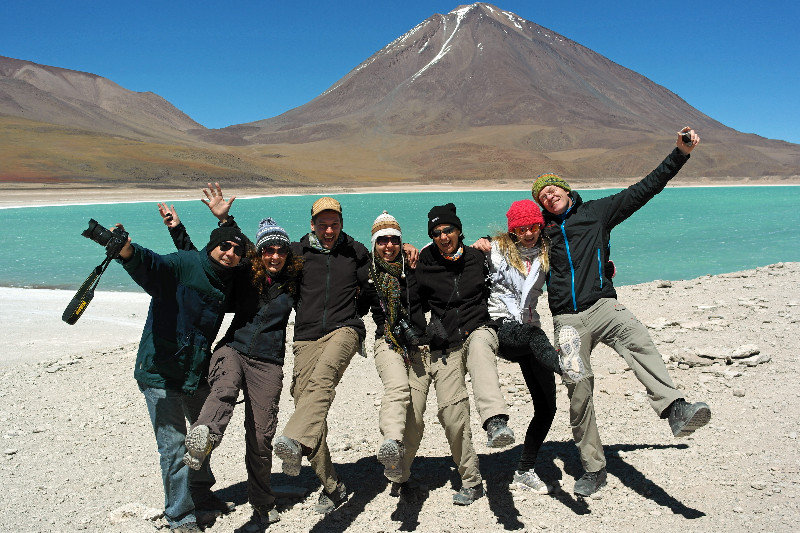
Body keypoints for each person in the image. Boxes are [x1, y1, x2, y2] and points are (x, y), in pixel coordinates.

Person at [530, 127, 711, 497]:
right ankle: (594, 468)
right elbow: (507, 246)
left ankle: (675, 408)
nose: (550, 196)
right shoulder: (539, 233)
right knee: (578, 391)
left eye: (553, 189)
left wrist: (680, 154)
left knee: (637, 336)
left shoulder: (597, 212)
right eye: (542, 196)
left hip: (602, 306)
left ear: (567, 190)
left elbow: (644, 189)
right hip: (566, 321)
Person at [159, 196, 300, 530]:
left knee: (261, 436)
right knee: (222, 388)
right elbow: (204, 264)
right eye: (268, 250)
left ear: (287, 253)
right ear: (260, 253)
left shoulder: (294, 282)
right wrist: (182, 230)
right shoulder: (243, 276)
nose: (275, 255)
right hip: (232, 348)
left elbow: (331, 268)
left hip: (268, 362)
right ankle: (205, 435)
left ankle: (263, 501)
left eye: (280, 250)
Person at [114, 217, 246, 532]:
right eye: (223, 246)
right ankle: (180, 515)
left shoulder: (227, 278)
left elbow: (255, 264)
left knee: (206, 433)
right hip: (160, 372)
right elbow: (153, 266)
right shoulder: (184, 264)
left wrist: (225, 220)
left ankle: (200, 493)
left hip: (194, 370)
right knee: (174, 446)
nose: (229, 253)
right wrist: (128, 251)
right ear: (212, 246)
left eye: (236, 249)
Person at [272, 197, 375, 515]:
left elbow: (371, 285)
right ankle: (332, 486)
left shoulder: (356, 251)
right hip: (305, 338)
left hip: (345, 329)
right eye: (323, 224)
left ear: (342, 223)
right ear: (312, 223)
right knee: (309, 408)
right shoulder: (297, 253)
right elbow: (271, 278)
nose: (329, 230)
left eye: (335, 224)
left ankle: (292, 438)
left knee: (324, 377)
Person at [412, 202, 511, 505]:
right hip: (445, 344)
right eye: (437, 232)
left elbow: (520, 244)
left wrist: (491, 241)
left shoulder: (476, 256)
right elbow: (413, 303)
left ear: (459, 231)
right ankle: (471, 480)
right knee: (452, 414)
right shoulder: (423, 263)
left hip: (479, 328)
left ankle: (495, 421)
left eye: (448, 230)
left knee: (481, 352)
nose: (443, 236)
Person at [484, 199, 562, 494]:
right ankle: (566, 367)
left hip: (530, 327)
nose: (528, 233)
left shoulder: (546, 252)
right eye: (521, 228)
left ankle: (524, 470)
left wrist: (604, 269)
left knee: (547, 407)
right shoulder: (494, 251)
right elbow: (453, 262)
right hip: (502, 327)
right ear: (512, 229)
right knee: (533, 337)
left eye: (533, 226)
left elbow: (573, 267)